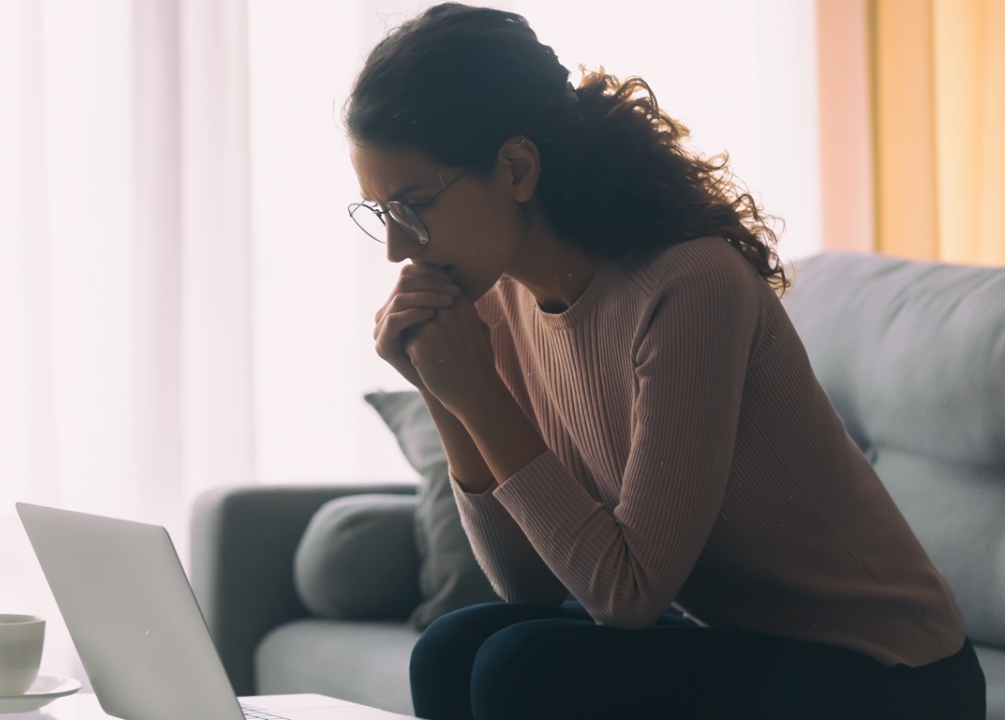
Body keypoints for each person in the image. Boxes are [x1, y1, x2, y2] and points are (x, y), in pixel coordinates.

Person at [344, 4, 986, 719]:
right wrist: (446, 391)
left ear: (517, 168)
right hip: (735, 642)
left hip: (889, 669)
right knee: (454, 644)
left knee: (521, 667)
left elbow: (626, 596)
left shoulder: (688, 286)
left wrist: (478, 393)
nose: (399, 251)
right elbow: (526, 588)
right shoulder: (496, 306)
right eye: (381, 214)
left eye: (411, 206)